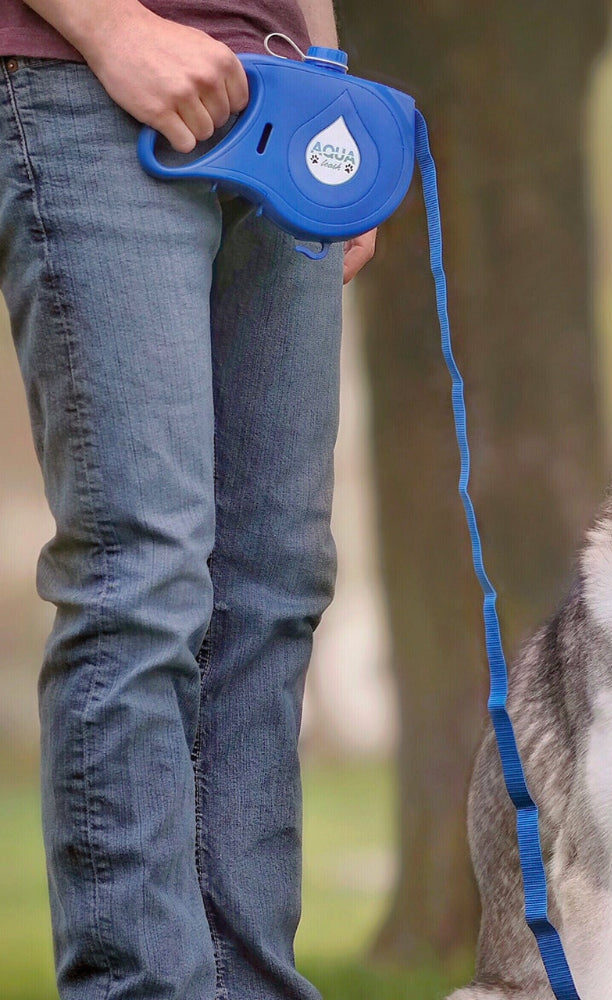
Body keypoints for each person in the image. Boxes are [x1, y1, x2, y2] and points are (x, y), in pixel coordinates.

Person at [0, 2, 373, 997]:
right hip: (88, 81)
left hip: (286, 99)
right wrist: (111, 26)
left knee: (274, 587)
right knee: (146, 575)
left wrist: (336, 85)